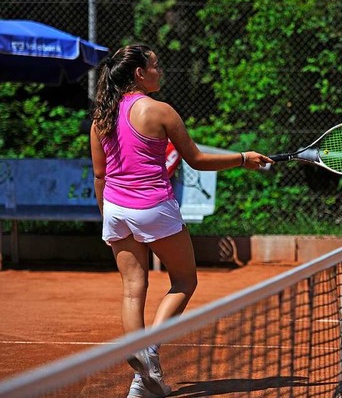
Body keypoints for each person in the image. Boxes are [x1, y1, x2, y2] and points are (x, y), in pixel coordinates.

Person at [90, 44, 273, 398]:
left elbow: (100, 175)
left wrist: (106, 218)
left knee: (132, 288)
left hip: (114, 208)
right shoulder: (159, 111)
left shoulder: (102, 116)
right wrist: (242, 158)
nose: (161, 70)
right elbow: (196, 160)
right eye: (155, 66)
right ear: (140, 74)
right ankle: (150, 352)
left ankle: (141, 376)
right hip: (153, 207)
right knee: (185, 280)